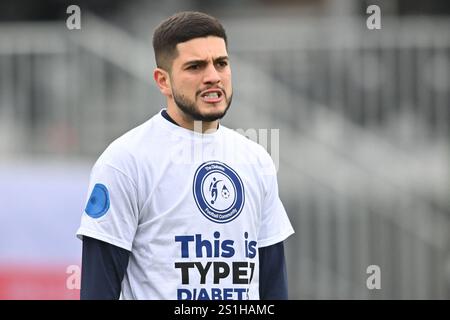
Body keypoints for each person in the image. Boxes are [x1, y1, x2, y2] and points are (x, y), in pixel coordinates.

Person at [76, 11, 294, 300]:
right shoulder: (125, 161)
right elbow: (98, 288)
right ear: (163, 81)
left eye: (221, 63)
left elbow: (272, 282)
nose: (213, 77)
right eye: (195, 67)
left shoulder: (257, 160)